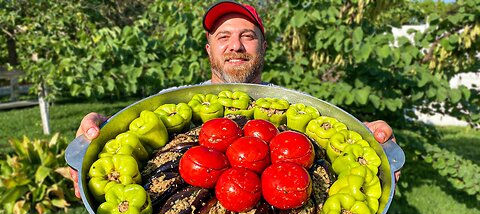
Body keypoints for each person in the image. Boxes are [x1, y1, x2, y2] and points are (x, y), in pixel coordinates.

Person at [69, 1, 398, 198]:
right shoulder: (169, 103)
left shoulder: (296, 108)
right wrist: (96, 129)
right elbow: (118, 131)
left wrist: (374, 142)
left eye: (247, 36)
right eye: (223, 37)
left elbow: (344, 141)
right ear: (209, 49)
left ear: (263, 47)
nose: (236, 46)